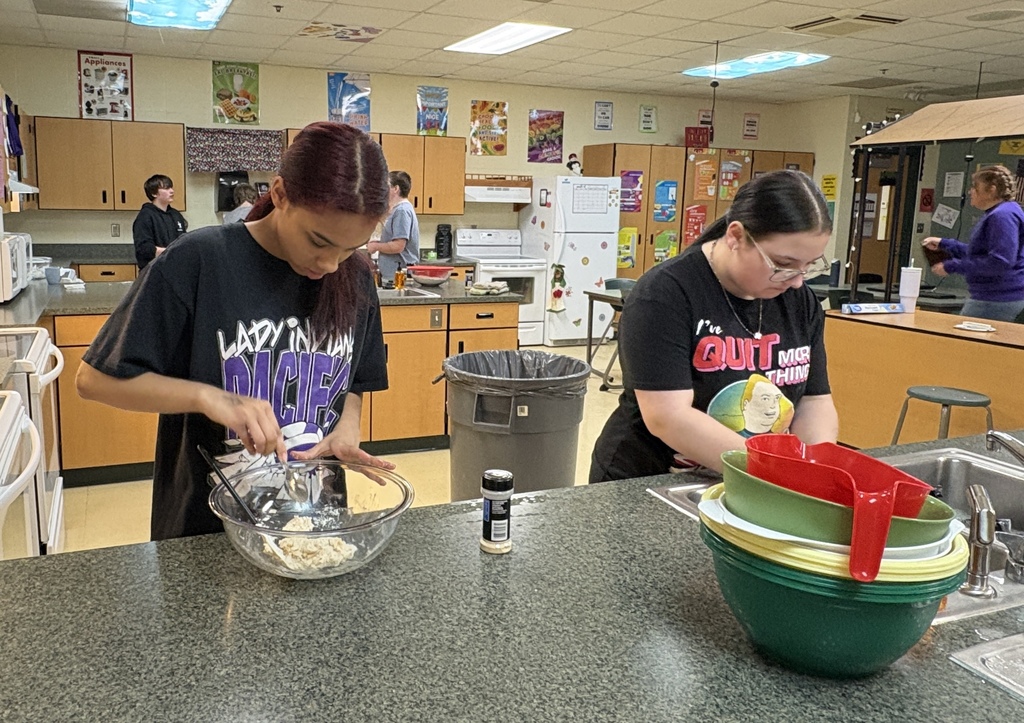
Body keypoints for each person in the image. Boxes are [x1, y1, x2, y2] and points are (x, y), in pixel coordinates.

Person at [76, 122, 394, 540]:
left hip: (314, 526)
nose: (331, 264)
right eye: (319, 241)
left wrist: (345, 429)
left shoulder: (354, 278)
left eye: (349, 248)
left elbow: (356, 378)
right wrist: (210, 398)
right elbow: (93, 380)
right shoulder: (198, 260)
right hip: (205, 530)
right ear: (280, 194)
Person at [589, 170, 839, 482]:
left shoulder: (799, 301)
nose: (798, 280)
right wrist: (777, 473)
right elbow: (668, 417)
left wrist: (817, 469)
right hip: (649, 480)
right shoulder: (666, 294)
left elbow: (814, 400)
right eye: (783, 265)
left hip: (751, 478)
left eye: (810, 265)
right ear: (736, 236)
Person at [923, 165, 1024, 322]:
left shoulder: (1002, 216)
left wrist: (952, 266)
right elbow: (983, 253)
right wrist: (945, 244)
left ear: (992, 189)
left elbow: (1000, 261)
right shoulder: (1005, 211)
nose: (970, 191)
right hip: (998, 296)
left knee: (962, 344)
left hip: (996, 299)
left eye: (975, 187)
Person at [366, 170, 419, 278]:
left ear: (396, 189)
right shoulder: (397, 210)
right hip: (393, 273)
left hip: (399, 274)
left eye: (386, 186)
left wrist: (376, 246)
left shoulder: (401, 211)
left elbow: (398, 246)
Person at [132, 174, 188, 270]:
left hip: (175, 269)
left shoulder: (176, 215)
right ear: (154, 193)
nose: (172, 191)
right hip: (153, 271)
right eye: (166, 188)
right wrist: (170, 252)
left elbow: (183, 241)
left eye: (171, 187)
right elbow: (144, 248)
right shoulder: (145, 216)